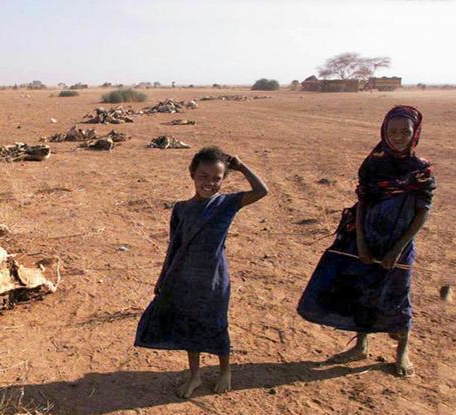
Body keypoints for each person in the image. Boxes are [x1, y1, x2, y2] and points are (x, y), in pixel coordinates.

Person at [297, 106, 435, 377]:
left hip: (400, 244)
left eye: (405, 131)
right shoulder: (372, 165)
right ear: (384, 132)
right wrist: (361, 242)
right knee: (362, 290)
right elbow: (363, 203)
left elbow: (422, 213)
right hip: (369, 239)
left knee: (399, 294)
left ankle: (402, 351)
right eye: (393, 131)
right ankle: (361, 345)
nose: (398, 137)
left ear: (415, 133)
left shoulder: (421, 171)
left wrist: (397, 249)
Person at [134, 146, 268, 397]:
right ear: (192, 175)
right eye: (203, 176)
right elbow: (173, 246)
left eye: (217, 178)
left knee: (217, 323)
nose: (210, 183)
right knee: (189, 325)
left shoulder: (226, 203)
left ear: (223, 179)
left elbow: (262, 191)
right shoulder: (181, 208)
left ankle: (225, 370)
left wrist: (240, 167)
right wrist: (163, 277)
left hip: (214, 278)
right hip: (184, 277)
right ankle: (194, 375)